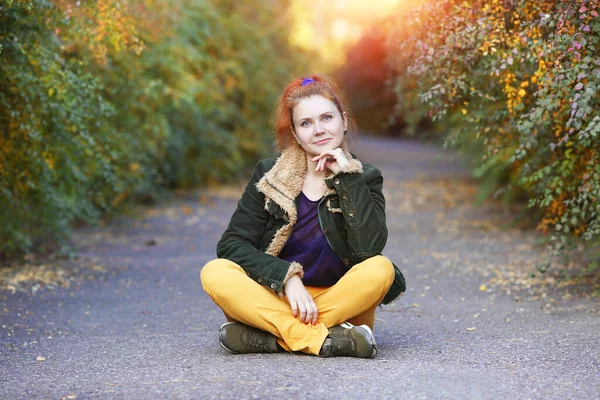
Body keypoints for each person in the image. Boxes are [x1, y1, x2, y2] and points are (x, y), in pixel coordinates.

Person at [200, 75, 406, 358]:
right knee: (215, 272)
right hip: (278, 297)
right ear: (295, 134)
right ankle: (327, 340)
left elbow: (368, 249)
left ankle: (271, 337)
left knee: (381, 268)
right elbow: (232, 245)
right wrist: (286, 278)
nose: (319, 130)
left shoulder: (365, 177)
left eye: (326, 118)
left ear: (343, 121)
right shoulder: (269, 175)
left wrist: (347, 179)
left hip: (340, 301)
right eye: (306, 123)